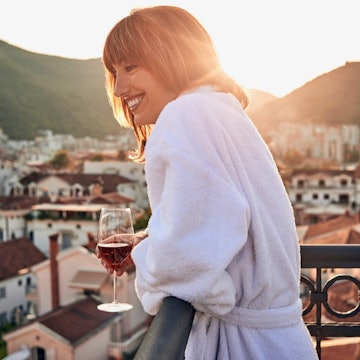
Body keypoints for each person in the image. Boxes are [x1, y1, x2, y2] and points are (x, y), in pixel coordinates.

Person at [99, 5, 318, 360]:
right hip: (280, 341)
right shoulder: (219, 109)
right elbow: (219, 221)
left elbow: (186, 261)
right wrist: (145, 241)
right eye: (115, 72)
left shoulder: (182, 117)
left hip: (245, 347)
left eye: (130, 67)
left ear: (170, 57)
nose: (120, 87)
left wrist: (145, 254)